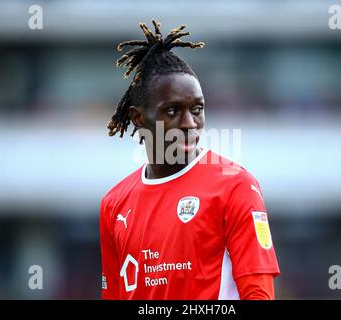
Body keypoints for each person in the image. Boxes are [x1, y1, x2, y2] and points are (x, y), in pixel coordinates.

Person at [100, 20, 280, 300]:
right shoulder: (114, 204)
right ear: (138, 118)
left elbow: (258, 293)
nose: (189, 123)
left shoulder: (235, 187)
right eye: (172, 111)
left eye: (197, 109)